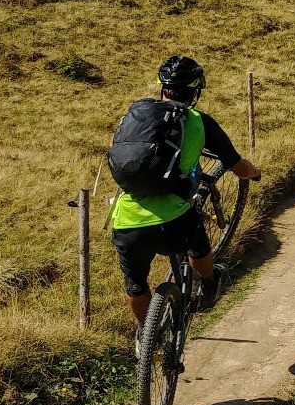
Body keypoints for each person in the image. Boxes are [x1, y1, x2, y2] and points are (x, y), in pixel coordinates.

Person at [109, 55, 261, 328]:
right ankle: (209, 285)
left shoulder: (137, 116)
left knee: (135, 285)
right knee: (199, 243)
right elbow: (238, 167)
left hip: (126, 221)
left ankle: (147, 339)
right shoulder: (199, 121)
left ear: (162, 88)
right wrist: (255, 172)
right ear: (195, 92)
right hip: (173, 222)